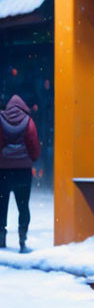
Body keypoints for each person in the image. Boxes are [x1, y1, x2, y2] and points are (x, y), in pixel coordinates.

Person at [0, 94, 41, 252]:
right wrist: (32, 158)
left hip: (3, 171)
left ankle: (1, 238)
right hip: (23, 171)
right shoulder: (28, 122)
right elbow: (34, 144)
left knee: (1, 205)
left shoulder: (1, 120)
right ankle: (22, 240)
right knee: (23, 206)